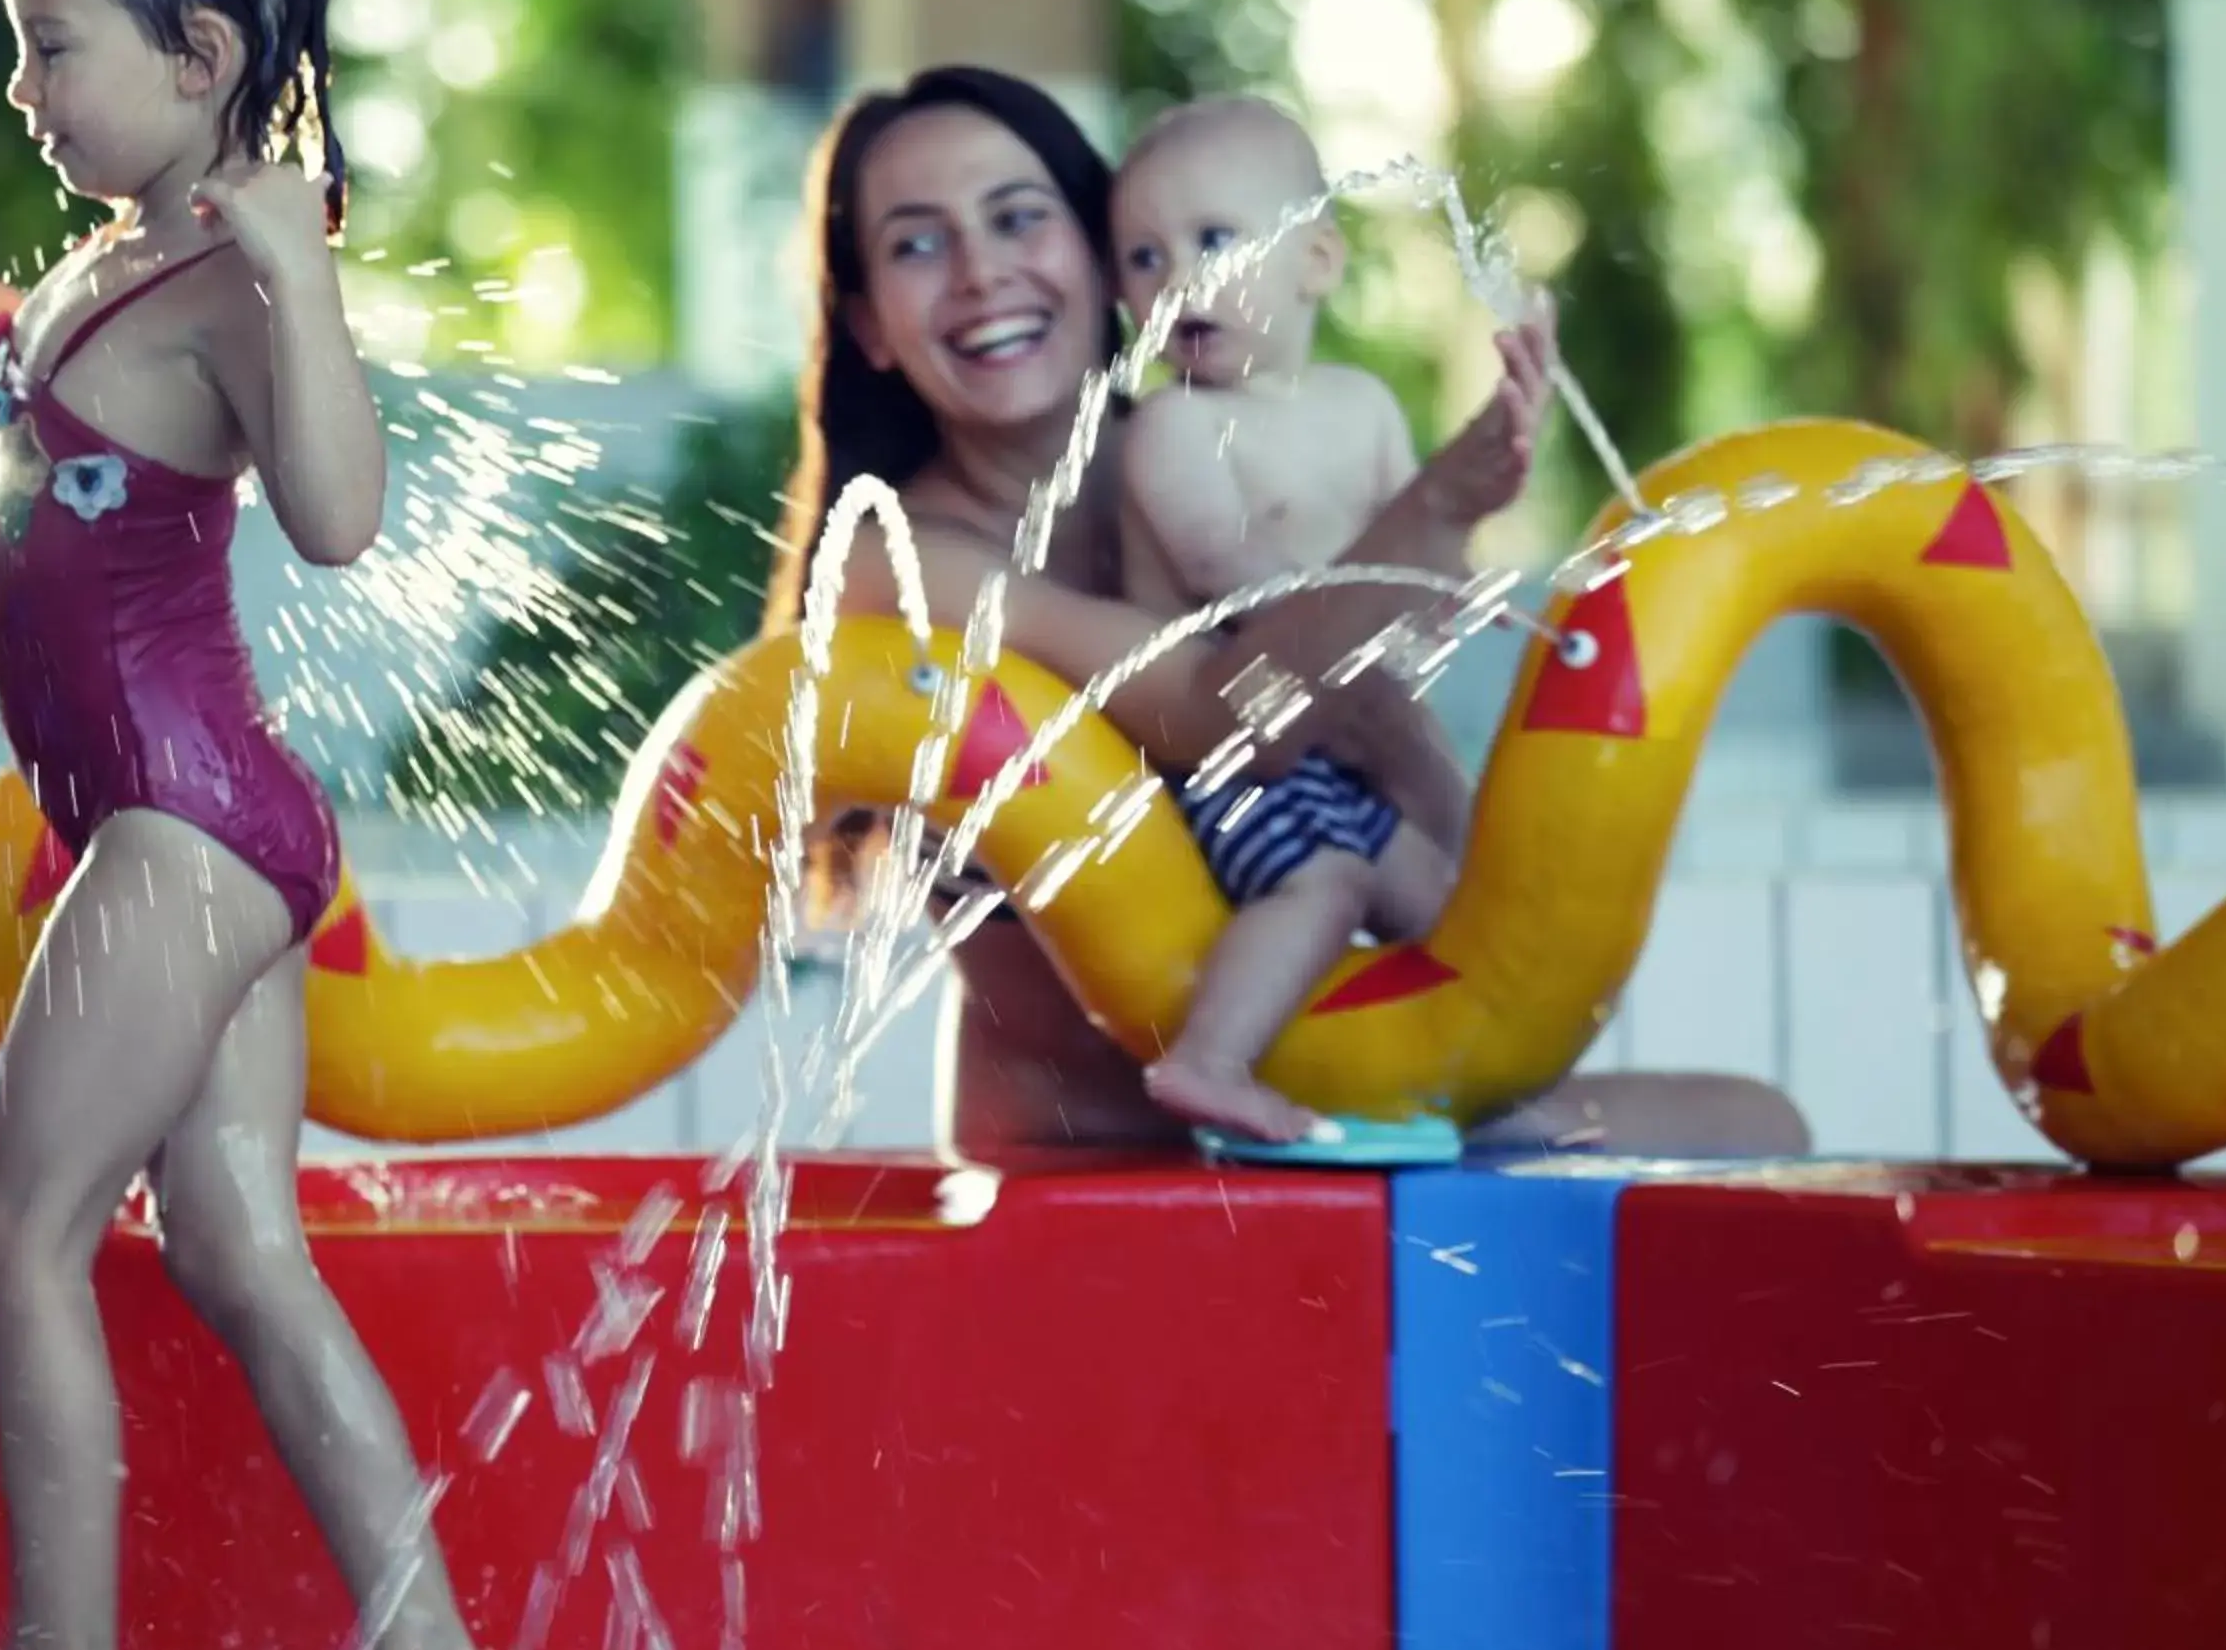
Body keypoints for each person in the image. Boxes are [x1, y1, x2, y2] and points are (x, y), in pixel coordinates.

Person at [0, 0, 498, 1650]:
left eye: (52, 47)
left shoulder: (237, 272)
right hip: (187, 819)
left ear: (201, 56)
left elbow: (336, 518)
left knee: (18, 1231)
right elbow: (94, 452)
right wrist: (10, 339)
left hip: (184, 819)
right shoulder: (127, 264)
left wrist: (303, 285)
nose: (24, 86)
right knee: (233, 1246)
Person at [767, 63, 1811, 1165]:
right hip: (1080, 1158)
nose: (981, 271)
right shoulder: (895, 561)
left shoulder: (1210, 440)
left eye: (1020, 218)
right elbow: (1229, 718)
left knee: (1759, 1129)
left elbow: (1386, 732)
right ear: (870, 324)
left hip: (1309, 1108)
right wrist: (1435, 507)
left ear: (1094, 254)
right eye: (917, 244)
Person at [1109, 94, 1551, 1145]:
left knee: (1446, 904)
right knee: (1325, 878)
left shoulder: (1364, 406)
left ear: (1316, 260)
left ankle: (1479, 1097)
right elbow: (1232, 573)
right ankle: (1209, 1061)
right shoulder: (1174, 426)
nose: (1175, 278)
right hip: (1231, 756)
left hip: (1340, 749)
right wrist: (1370, 598)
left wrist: (1460, 589)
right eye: (1140, 257)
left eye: (1213, 239)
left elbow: (1421, 540)